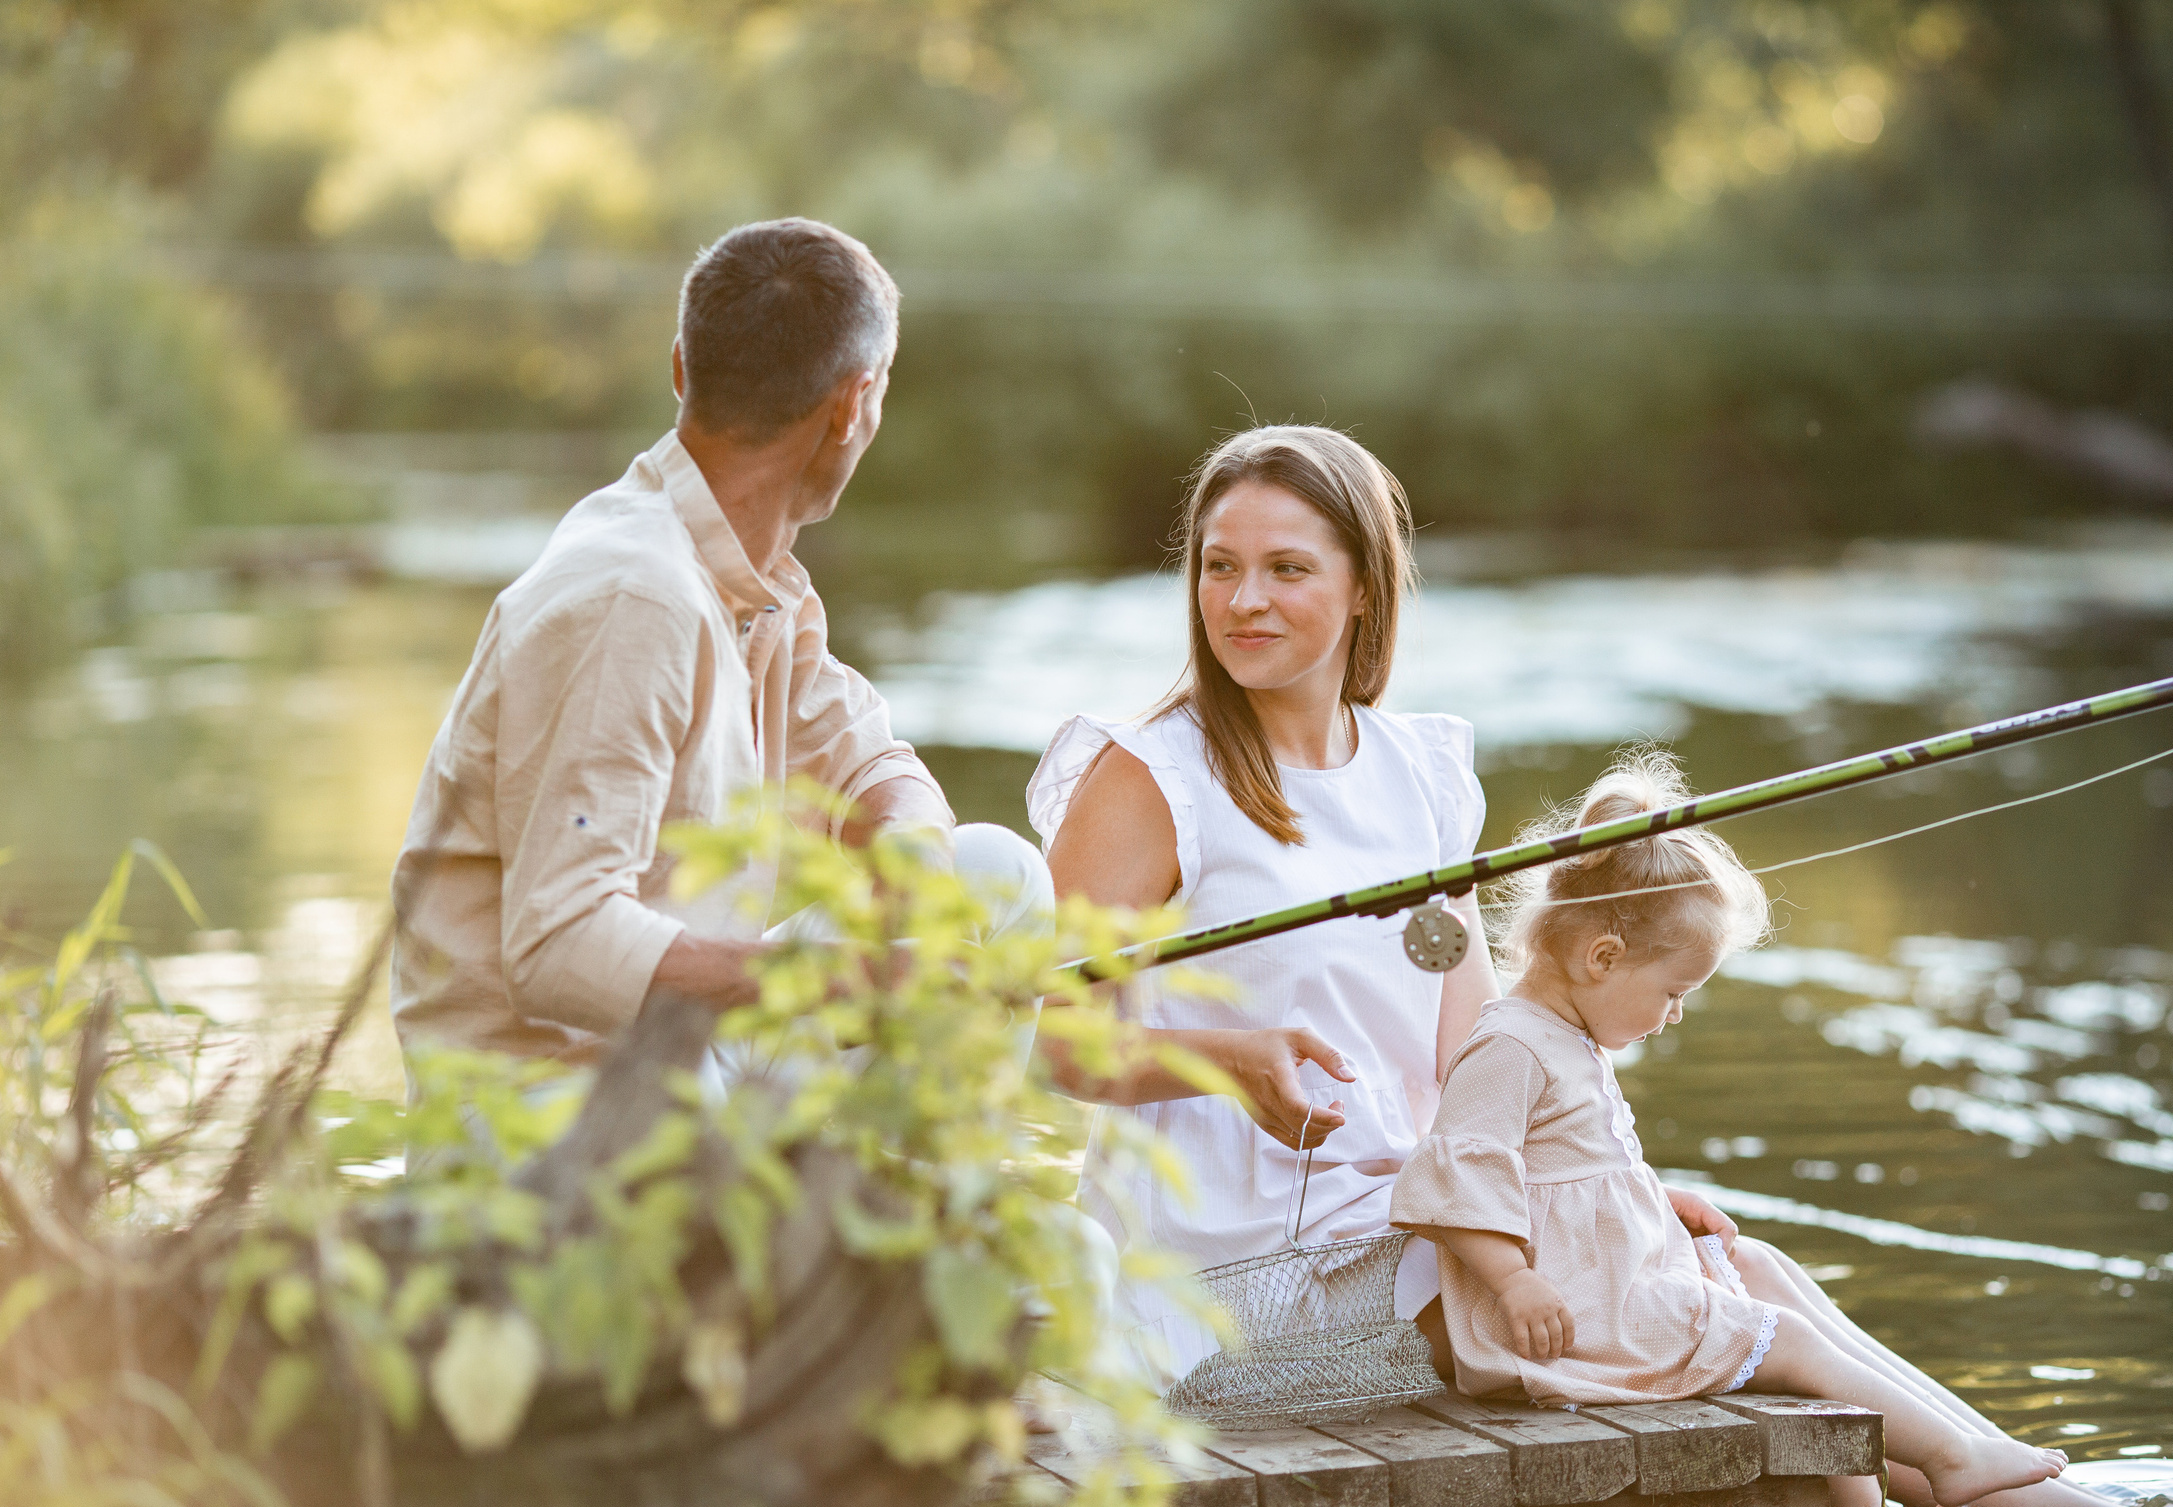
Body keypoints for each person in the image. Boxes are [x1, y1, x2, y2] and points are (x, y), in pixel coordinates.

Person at [392, 218, 1049, 1086]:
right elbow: (559, 944)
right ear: (854, 406)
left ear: (678, 366)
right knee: (1073, 1235)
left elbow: (873, 764)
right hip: (548, 1111)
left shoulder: (753, 578)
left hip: (688, 1059)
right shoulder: (632, 595)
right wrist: (849, 979)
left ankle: (918, 1199)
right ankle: (882, 1205)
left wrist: (914, 895)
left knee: (996, 872)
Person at [1392, 750, 2074, 1507]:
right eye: (1673, 992)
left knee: (1765, 1298)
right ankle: (1949, 1458)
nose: (1674, 1015)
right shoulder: (1511, 1044)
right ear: (1602, 957)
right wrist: (1511, 1280)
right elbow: (1457, 1172)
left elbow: (1569, 1175)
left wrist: (1654, 1199)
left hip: (1605, 1293)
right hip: (1568, 1322)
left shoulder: (1568, 1037)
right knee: (1780, 1339)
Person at [1030, 425, 1499, 1383]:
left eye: (1287, 568)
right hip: (1228, 1277)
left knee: (1700, 1257)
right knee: (1635, 1295)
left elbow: (1478, 1054)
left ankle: (1888, 1503)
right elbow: (1056, 1042)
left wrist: (1597, 1183)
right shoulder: (1148, 778)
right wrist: (1226, 1060)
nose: (1243, 601)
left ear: (1365, 585)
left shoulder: (1427, 775)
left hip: (1402, 1221)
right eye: (1220, 568)